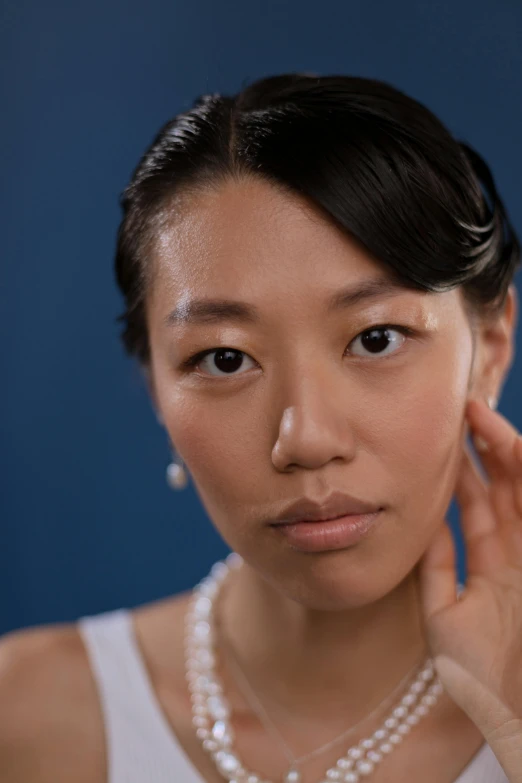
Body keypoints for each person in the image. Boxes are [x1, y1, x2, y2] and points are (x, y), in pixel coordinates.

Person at [1, 73, 521, 783]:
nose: (305, 437)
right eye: (225, 357)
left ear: (488, 350)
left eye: (375, 339)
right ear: (155, 386)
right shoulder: (27, 718)